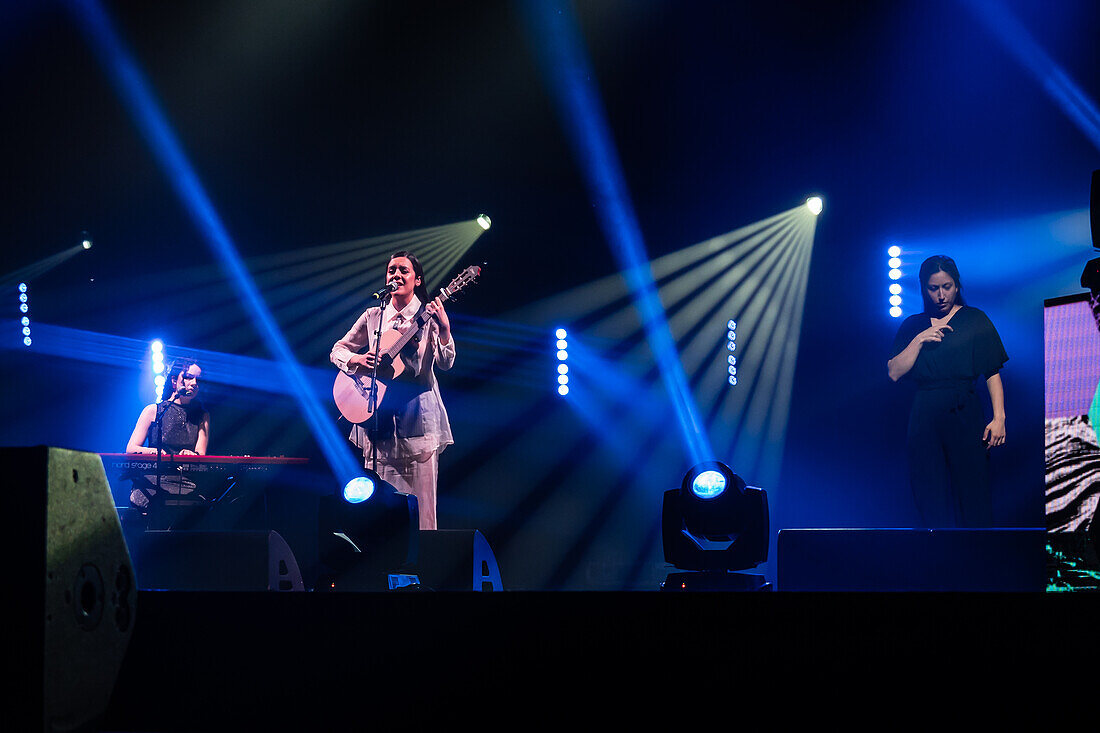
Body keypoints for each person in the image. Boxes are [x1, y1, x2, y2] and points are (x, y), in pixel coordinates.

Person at [330, 251, 455, 530]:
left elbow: (446, 363)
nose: (396, 275)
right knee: (383, 517)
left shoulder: (429, 314)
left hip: (418, 423)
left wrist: (444, 330)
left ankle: (425, 570)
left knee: (423, 515)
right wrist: (356, 360)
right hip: (379, 424)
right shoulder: (374, 316)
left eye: (403, 271)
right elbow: (337, 350)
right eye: (391, 270)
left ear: (417, 279)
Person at [887, 255, 1008, 527]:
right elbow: (894, 372)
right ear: (923, 288)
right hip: (925, 414)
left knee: (973, 492)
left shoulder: (975, 319)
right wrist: (919, 340)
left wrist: (999, 418)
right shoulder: (913, 325)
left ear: (957, 285)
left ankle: (977, 559)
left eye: (947, 286)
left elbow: (992, 371)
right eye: (933, 288)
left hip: (964, 410)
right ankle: (936, 560)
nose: (941, 295)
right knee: (929, 494)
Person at [125, 358, 210, 511]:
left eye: (198, 379)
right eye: (189, 377)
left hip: (186, 483)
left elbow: (201, 454)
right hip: (152, 482)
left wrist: (192, 454)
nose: (194, 382)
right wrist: (155, 452)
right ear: (174, 380)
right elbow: (131, 448)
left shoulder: (203, 416)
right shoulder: (153, 411)